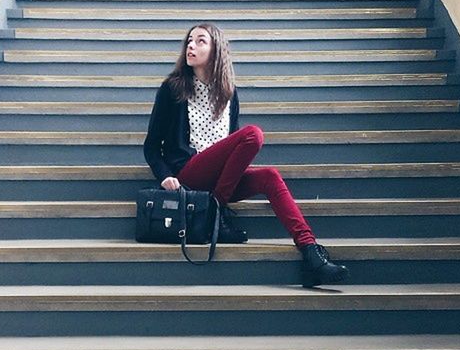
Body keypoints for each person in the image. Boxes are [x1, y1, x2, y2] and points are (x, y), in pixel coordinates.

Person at [143, 22, 349, 287]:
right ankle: (217, 209)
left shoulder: (229, 94)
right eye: (189, 41)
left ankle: (311, 253)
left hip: (219, 183)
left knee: (271, 177)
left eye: (201, 41)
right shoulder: (172, 89)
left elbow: (233, 151)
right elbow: (151, 146)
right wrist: (165, 176)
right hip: (190, 174)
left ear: (217, 49)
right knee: (253, 134)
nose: (191, 46)